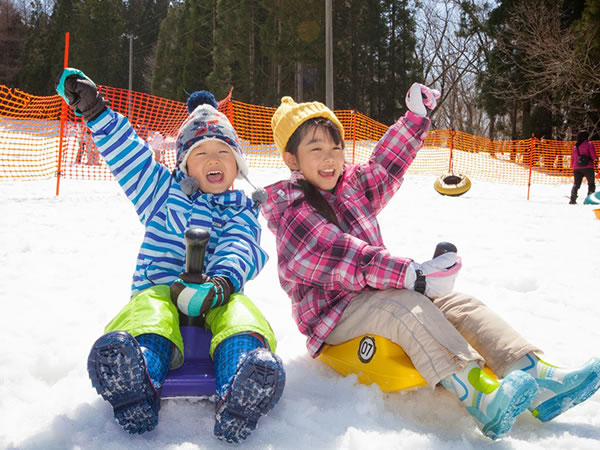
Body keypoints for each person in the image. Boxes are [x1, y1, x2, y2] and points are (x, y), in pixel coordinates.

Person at [261, 84, 600, 440]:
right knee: (405, 304)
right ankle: (480, 394)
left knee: (459, 304)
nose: (330, 158)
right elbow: (340, 252)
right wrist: (412, 274)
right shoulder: (292, 207)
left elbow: (385, 167)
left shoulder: (350, 186)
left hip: (374, 291)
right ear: (291, 159)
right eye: (316, 149)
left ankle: (535, 374)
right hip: (334, 315)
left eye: (337, 147)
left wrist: (414, 120)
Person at [55, 68, 285, 443]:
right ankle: (137, 375)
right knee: (150, 310)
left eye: (224, 152)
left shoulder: (242, 208)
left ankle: (242, 379)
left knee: (242, 313)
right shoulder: (162, 193)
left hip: (215, 299)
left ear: (238, 165)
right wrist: (96, 111)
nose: (214, 159)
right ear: (184, 164)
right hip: (161, 291)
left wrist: (220, 284)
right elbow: (130, 157)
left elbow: (241, 246)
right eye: (202, 152)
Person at [569, 130, 597, 204]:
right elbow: (593, 156)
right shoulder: (589, 144)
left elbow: (573, 158)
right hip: (588, 167)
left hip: (576, 168)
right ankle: (589, 200)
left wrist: (573, 167)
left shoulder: (575, 147)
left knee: (576, 184)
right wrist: (595, 159)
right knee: (591, 184)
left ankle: (572, 199)